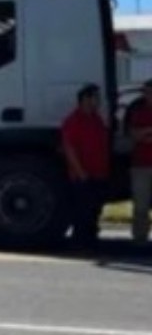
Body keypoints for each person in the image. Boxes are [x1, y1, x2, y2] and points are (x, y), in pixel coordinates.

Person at [61, 84, 110, 247]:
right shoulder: (73, 121)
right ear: (85, 99)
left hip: (99, 173)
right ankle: (80, 241)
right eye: (95, 97)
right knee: (83, 210)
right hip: (83, 175)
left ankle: (91, 238)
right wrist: (81, 173)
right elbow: (69, 149)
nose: (98, 101)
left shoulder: (96, 119)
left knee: (95, 209)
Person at [124, 80, 152, 246]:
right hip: (140, 165)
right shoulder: (138, 112)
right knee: (140, 205)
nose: (149, 95)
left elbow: (141, 135)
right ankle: (139, 239)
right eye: (147, 92)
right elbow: (134, 135)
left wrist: (145, 133)